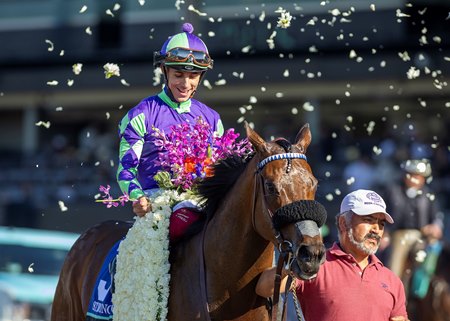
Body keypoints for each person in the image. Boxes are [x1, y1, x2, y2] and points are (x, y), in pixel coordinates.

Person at [116, 22, 223, 242]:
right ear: (165, 71)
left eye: (193, 76)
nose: (185, 83)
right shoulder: (141, 114)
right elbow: (126, 169)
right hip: (156, 209)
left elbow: (217, 171)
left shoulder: (213, 119)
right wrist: (138, 197)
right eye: (178, 74)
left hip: (200, 207)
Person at [256, 189, 409, 321]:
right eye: (368, 220)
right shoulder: (317, 264)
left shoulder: (393, 280)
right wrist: (290, 267)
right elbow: (263, 288)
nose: (376, 229)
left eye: (381, 224)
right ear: (343, 223)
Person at [381, 159, 444, 277]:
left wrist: (436, 226)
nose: (415, 179)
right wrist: (385, 232)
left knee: (433, 253)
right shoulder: (393, 191)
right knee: (395, 261)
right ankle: (393, 286)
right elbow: (383, 213)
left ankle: (424, 287)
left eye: (419, 176)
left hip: (421, 235)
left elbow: (436, 216)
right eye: (412, 175)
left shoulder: (428, 194)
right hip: (399, 234)